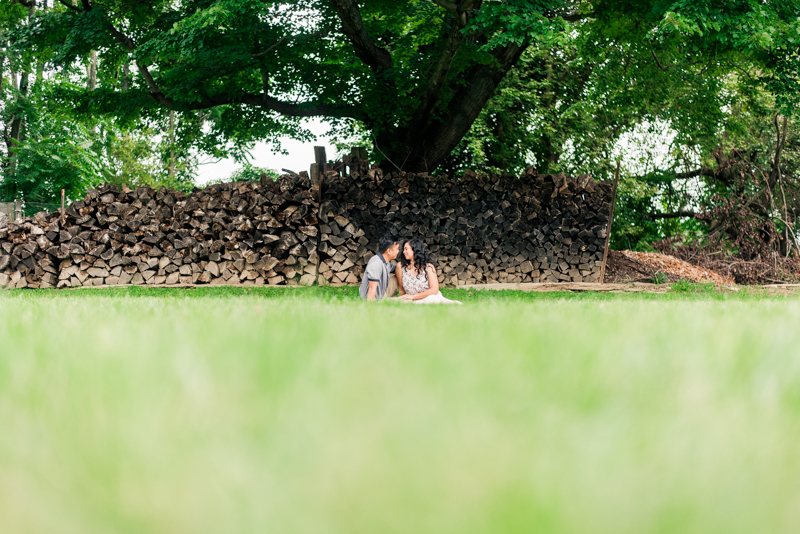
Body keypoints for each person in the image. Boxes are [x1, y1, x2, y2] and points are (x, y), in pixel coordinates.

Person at [396, 238, 462, 304]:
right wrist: (404, 300)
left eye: (406, 249)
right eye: (404, 249)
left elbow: (434, 290)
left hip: (429, 298)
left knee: (433, 298)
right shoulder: (400, 266)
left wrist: (413, 297)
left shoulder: (429, 267)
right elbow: (401, 289)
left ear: (415, 249)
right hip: (411, 300)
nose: (404, 252)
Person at [359, 233, 400, 301]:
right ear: (389, 251)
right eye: (397, 249)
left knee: (400, 275)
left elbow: (397, 269)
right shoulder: (376, 263)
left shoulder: (386, 262)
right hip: (374, 299)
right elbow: (372, 288)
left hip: (381, 294)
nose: (398, 251)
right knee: (403, 301)